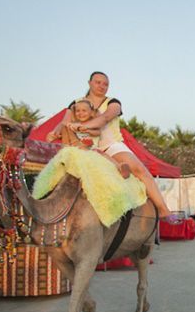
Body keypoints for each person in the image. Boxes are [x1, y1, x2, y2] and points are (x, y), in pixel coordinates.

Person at [46, 71, 177, 220]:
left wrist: (82, 127)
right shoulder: (77, 103)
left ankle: (163, 209)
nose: (102, 86)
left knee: (139, 169)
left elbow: (105, 118)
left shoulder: (113, 102)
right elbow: (65, 122)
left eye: (105, 84)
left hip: (110, 146)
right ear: (89, 83)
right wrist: (55, 132)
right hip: (84, 147)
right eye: (98, 82)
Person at [59, 100, 132, 178]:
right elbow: (66, 137)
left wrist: (87, 130)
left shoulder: (91, 124)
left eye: (84, 111)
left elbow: (98, 133)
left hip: (90, 148)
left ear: (91, 113)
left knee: (102, 154)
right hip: (78, 147)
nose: (81, 113)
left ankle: (119, 167)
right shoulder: (72, 124)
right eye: (78, 111)